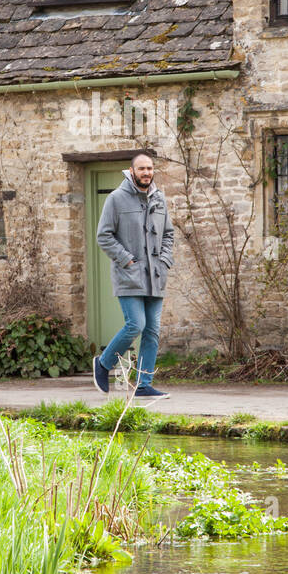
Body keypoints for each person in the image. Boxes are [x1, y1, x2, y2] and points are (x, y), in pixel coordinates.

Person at [93, 151, 174, 400]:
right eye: (141, 169)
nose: (146, 172)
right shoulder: (116, 199)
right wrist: (126, 259)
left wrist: (165, 260)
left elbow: (168, 234)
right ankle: (104, 363)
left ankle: (143, 384)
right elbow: (103, 236)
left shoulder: (159, 199)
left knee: (152, 330)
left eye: (149, 168)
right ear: (131, 171)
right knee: (136, 324)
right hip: (129, 276)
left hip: (156, 276)